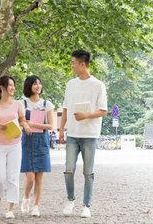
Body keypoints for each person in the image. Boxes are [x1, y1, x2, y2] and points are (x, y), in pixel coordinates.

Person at [59, 50, 107, 218]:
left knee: (88, 172)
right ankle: (70, 199)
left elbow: (103, 111)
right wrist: (61, 130)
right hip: (72, 134)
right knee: (68, 170)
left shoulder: (98, 85)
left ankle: (86, 205)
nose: (71, 66)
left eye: (73, 63)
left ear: (82, 64)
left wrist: (85, 115)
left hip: (89, 135)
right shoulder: (70, 84)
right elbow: (65, 108)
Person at [0, 76, 31, 219]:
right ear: (2, 88)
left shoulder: (17, 104)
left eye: (13, 85)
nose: (13, 88)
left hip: (15, 145)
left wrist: (26, 126)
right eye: (10, 85)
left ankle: (10, 208)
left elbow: (23, 121)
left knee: (13, 177)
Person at [19, 76, 55, 217]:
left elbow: (50, 125)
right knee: (30, 178)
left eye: (39, 83)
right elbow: (19, 122)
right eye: (35, 84)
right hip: (27, 143)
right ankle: (26, 197)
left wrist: (33, 124)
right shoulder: (22, 104)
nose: (38, 86)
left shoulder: (47, 104)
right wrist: (26, 124)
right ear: (29, 86)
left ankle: (35, 206)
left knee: (39, 178)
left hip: (42, 143)